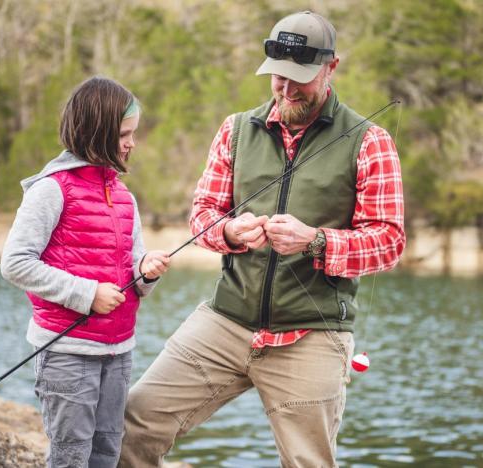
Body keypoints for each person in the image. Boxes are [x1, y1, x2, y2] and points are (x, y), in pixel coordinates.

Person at [118, 10, 405, 468]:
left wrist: (315, 241)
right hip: (226, 320)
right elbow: (201, 217)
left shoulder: (370, 141)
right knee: (133, 423)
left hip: (312, 335)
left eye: (300, 80)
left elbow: (389, 242)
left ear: (331, 68)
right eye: (278, 78)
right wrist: (229, 231)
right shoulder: (234, 130)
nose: (287, 90)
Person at [0, 76, 170, 468]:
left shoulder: (125, 196)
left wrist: (146, 272)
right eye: (124, 134)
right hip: (67, 354)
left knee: (107, 454)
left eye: (134, 133)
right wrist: (87, 293)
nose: (132, 143)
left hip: (119, 353)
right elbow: (15, 262)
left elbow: (133, 275)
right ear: (97, 132)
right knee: (71, 458)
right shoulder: (52, 189)